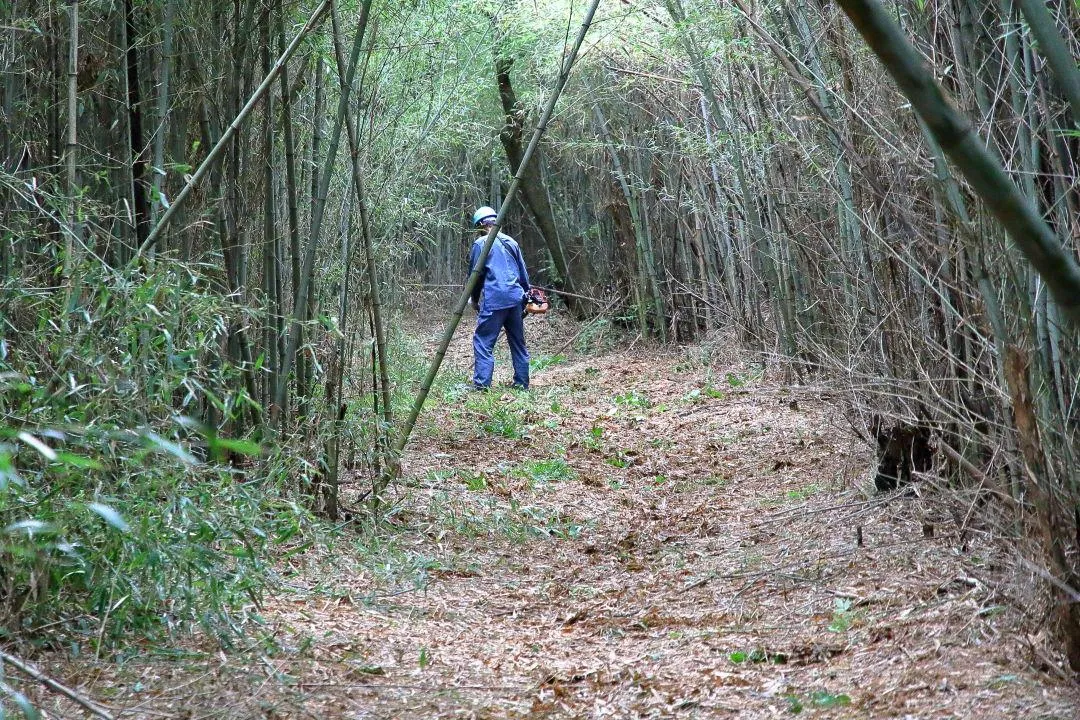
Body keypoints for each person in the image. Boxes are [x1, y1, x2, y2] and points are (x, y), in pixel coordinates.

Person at [467, 206, 531, 391]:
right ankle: (521, 383)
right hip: (515, 297)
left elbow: (475, 277)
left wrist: (474, 299)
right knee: (518, 342)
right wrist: (526, 298)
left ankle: (482, 385)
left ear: (480, 226)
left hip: (495, 299)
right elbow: (523, 274)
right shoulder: (511, 242)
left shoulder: (481, 244)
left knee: (483, 341)